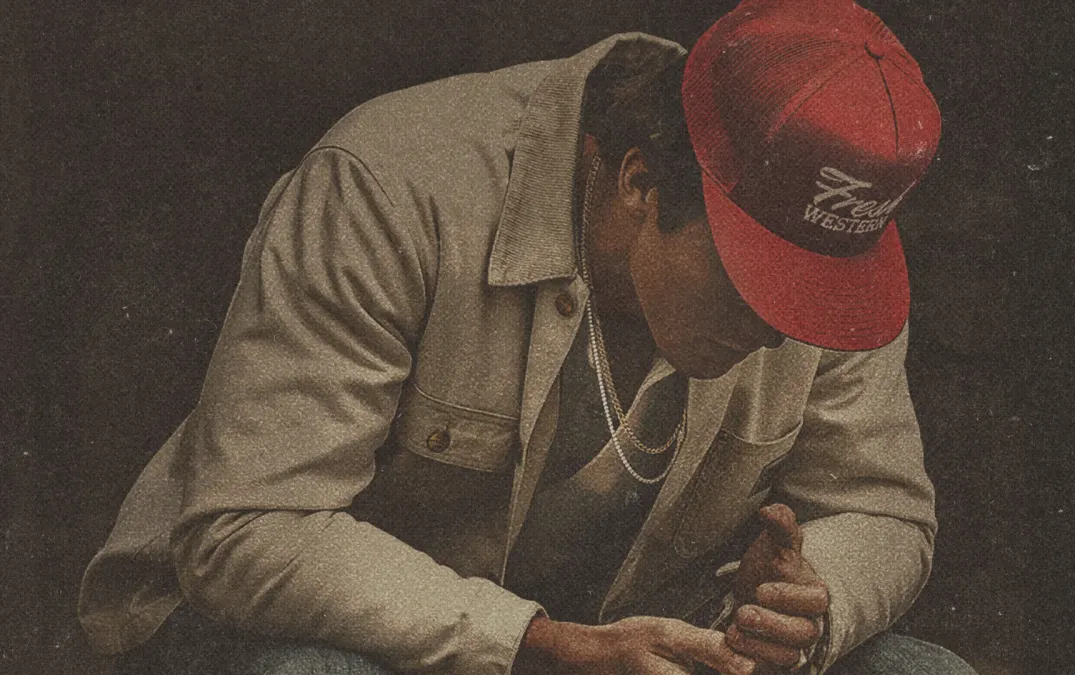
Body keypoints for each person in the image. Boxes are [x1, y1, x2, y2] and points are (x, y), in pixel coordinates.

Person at [79, 1, 976, 673]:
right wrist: (538, 641)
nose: (785, 331)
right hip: (360, 640)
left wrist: (809, 600)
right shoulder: (392, 185)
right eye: (757, 281)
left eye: (816, 295)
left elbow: (885, 508)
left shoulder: (823, 237)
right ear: (639, 183)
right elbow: (248, 528)